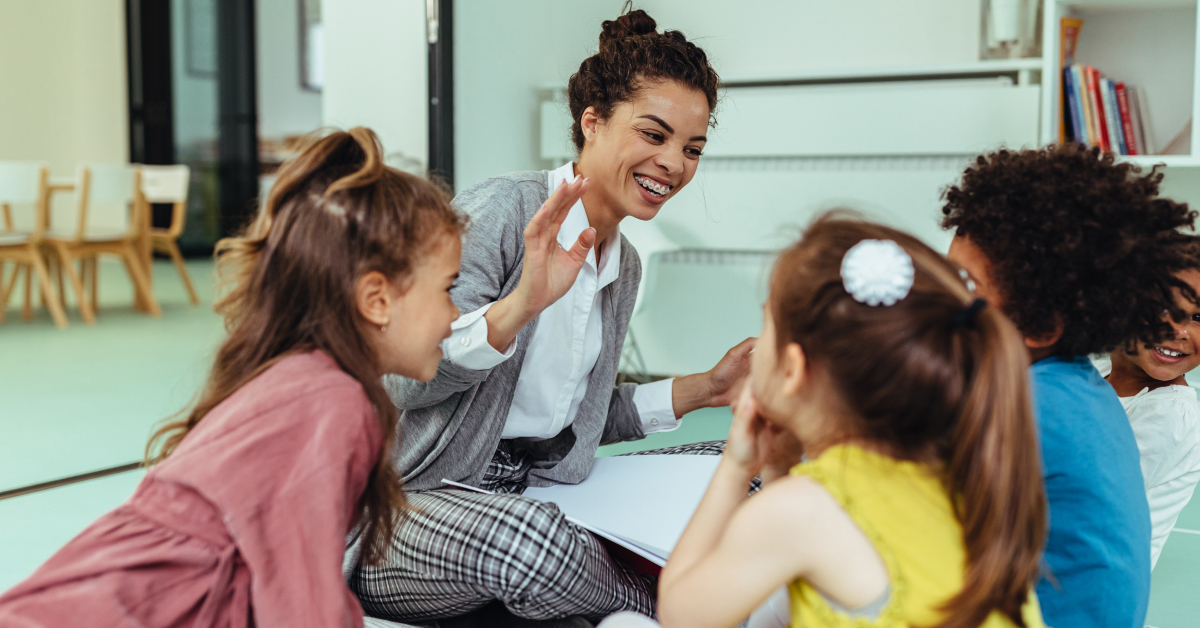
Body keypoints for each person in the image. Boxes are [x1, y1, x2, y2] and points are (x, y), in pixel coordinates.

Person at [347, 9, 751, 625]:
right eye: (654, 135)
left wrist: (708, 390)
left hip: (534, 493)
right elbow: (404, 382)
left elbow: (575, 421)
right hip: (412, 506)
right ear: (593, 123)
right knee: (535, 543)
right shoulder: (503, 210)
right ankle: (687, 609)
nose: (674, 163)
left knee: (741, 465)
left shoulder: (623, 263)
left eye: (692, 148)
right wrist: (521, 307)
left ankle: (610, 588)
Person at [0, 128, 465, 627]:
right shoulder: (331, 401)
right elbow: (304, 608)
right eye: (447, 289)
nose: (457, 313)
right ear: (377, 300)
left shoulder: (302, 378)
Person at [602, 216, 1048, 628]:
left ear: (793, 369)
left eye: (767, 326)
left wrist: (737, 468)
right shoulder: (956, 474)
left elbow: (682, 614)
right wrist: (778, 469)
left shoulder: (802, 508)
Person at [942, 144, 1199, 628]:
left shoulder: (1050, 405)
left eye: (966, 286)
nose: (943, 300)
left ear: (1042, 325)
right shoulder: (1076, 380)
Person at [1095, 264, 1200, 569]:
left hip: (1092, 582)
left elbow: (1086, 497)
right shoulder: (1098, 372)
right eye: (1162, 308)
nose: (1179, 331)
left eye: (1199, 318)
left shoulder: (1171, 415)